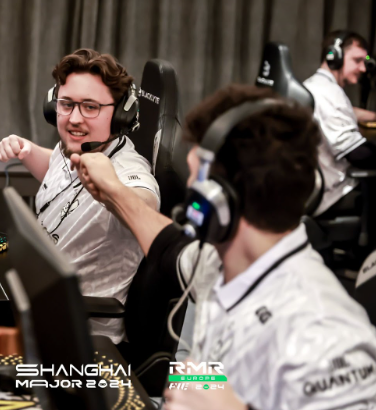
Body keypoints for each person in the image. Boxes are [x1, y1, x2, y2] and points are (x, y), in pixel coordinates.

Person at [71, 84, 376, 409]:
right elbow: (169, 246)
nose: (189, 190)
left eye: (195, 179)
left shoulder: (326, 333)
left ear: (220, 199)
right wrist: (112, 191)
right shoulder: (225, 262)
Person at [0, 49, 160, 344]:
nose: (74, 119)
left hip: (79, 336)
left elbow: (146, 207)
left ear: (120, 114)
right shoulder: (76, 147)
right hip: (37, 304)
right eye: (67, 104)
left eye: (90, 107)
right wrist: (26, 150)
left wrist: (111, 189)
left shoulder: (128, 171)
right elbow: (55, 168)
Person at [304, 30, 376, 216]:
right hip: (335, 193)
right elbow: (358, 154)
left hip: (323, 185)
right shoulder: (329, 93)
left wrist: (372, 116)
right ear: (334, 57)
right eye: (357, 60)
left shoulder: (317, 86)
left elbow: (345, 111)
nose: (363, 68)